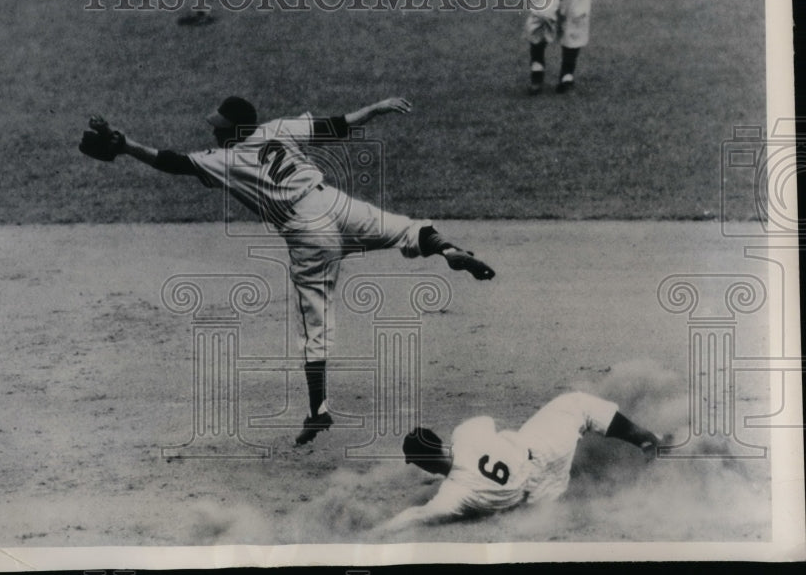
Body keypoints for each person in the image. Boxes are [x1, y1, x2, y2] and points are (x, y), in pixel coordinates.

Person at [79, 96, 496, 446]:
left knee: (316, 321)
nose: (215, 132)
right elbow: (339, 125)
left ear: (236, 130)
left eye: (220, 127)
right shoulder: (277, 129)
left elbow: (172, 162)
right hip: (334, 203)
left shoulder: (226, 158)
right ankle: (448, 250)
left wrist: (126, 144)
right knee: (405, 227)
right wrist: (380, 107)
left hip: (307, 232)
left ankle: (318, 411)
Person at [377, 391, 666, 531]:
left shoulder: (455, 494)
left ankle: (637, 450)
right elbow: (487, 423)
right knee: (577, 405)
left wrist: (376, 532)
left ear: (424, 464)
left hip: (539, 496)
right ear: (439, 441)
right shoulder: (467, 433)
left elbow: (416, 516)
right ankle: (647, 440)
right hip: (542, 450)